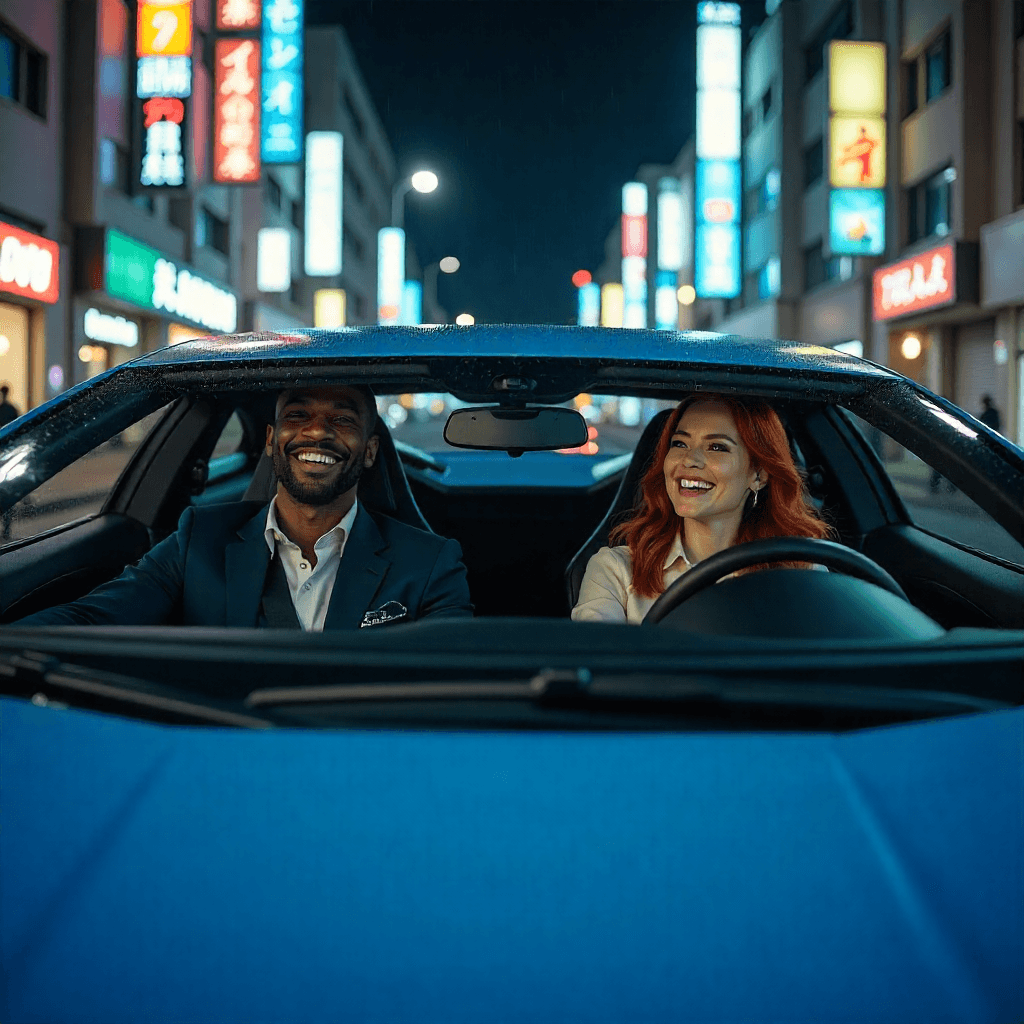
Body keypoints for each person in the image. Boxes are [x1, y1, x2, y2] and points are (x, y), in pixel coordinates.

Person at [15, 384, 474, 629]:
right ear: (272, 442)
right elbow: (90, 618)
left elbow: (455, 678)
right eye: (297, 415)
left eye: (342, 418)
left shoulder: (430, 562)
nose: (317, 432)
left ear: (370, 451)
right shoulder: (199, 540)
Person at [572, 394, 832, 624]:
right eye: (679, 444)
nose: (690, 460)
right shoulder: (616, 569)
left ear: (758, 475)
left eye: (717, 447)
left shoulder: (802, 573)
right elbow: (602, 669)